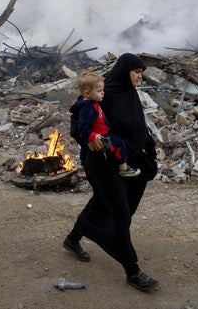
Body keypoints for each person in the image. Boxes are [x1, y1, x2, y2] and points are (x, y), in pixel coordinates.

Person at [63, 53, 160, 292]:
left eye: (141, 72)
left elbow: (138, 126)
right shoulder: (101, 92)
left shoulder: (130, 94)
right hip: (102, 162)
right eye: (136, 71)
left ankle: (72, 238)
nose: (139, 76)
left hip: (125, 161)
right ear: (124, 71)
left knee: (102, 203)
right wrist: (89, 139)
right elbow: (78, 122)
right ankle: (133, 270)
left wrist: (149, 150)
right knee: (118, 212)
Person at [72, 70, 141, 177]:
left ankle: (82, 164)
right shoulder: (88, 108)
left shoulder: (89, 103)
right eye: (99, 91)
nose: (103, 93)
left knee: (85, 149)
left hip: (99, 133)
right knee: (119, 144)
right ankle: (123, 168)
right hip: (101, 136)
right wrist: (92, 136)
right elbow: (83, 126)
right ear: (87, 93)